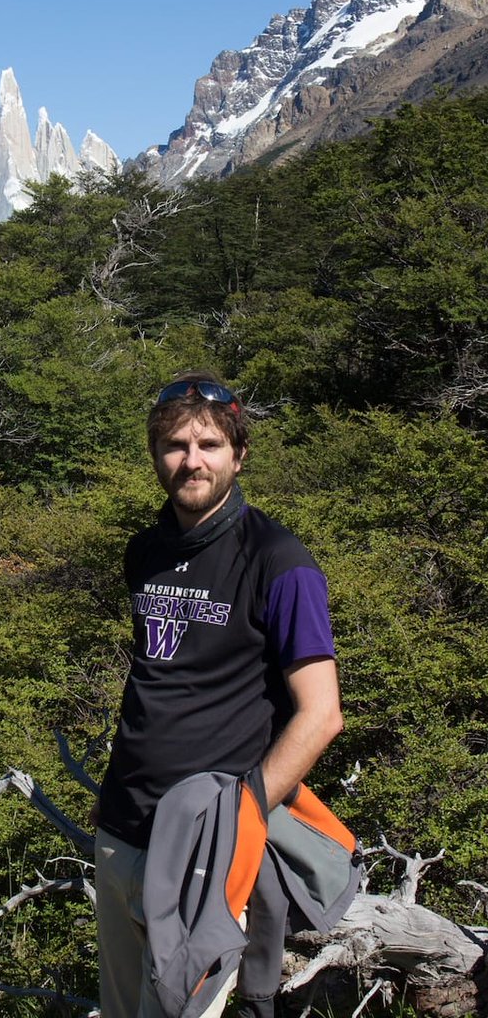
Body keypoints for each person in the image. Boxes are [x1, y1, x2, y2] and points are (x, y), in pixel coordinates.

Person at [93, 370, 343, 1018]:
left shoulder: (279, 561)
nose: (191, 460)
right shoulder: (144, 552)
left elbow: (321, 715)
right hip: (121, 829)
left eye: (208, 445)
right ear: (155, 454)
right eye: (175, 445)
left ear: (239, 454)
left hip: (206, 852)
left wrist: (242, 816)